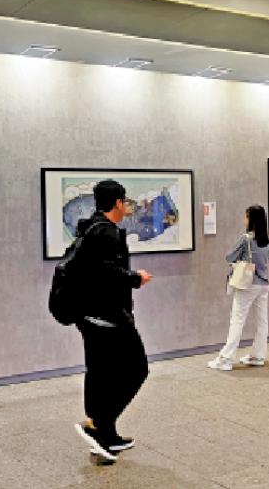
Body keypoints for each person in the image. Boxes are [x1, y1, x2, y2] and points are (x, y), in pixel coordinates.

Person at [72, 180, 153, 463]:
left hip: (87, 315)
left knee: (99, 372)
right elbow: (105, 272)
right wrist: (135, 278)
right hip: (109, 316)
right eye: (125, 202)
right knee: (137, 369)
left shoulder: (88, 228)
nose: (127, 206)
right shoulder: (106, 232)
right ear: (117, 203)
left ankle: (105, 433)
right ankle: (100, 427)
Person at [208, 204, 269, 371]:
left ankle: (226, 359)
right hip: (263, 285)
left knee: (237, 320)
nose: (244, 219)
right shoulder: (267, 240)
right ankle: (258, 355)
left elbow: (229, 256)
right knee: (261, 321)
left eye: (246, 216)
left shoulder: (246, 239)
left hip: (247, 285)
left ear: (251, 219)